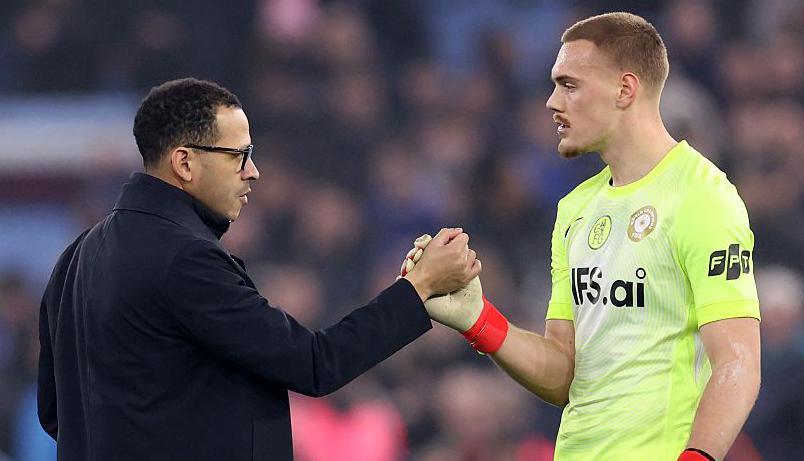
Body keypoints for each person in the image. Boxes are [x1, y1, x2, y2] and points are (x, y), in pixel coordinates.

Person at [37, 78, 480, 461]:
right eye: (239, 156)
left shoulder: (73, 259)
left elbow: (55, 414)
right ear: (185, 162)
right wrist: (417, 289)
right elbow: (314, 364)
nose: (254, 172)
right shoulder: (185, 259)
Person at [403, 12, 760, 461]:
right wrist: (478, 319)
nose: (552, 102)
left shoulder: (703, 197)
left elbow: (738, 364)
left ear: (625, 90)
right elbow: (565, 372)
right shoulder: (575, 210)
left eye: (569, 85)